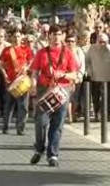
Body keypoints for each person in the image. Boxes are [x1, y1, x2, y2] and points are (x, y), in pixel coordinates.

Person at [30, 24, 78, 167]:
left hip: (62, 90)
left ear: (62, 36)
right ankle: (39, 148)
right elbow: (34, 72)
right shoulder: (41, 53)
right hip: (44, 89)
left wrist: (63, 74)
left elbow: (74, 74)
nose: (56, 37)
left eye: (59, 34)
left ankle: (53, 154)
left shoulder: (68, 53)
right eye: (54, 34)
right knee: (41, 122)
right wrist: (33, 85)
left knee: (57, 124)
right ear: (48, 36)